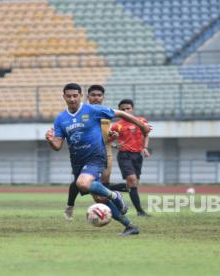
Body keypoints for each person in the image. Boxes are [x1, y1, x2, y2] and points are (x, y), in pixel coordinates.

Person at [46, 83, 151, 236]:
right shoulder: (61, 119)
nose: (72, 99)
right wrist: (49, 139)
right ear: (64, 97)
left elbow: (121, 114)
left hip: (95, 157)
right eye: (68, 96)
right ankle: (130, 226)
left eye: (75, 96)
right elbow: (57, 145)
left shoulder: (92, 110)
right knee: (99, 199)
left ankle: (114, 195)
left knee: (82, 183)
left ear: (81, 96)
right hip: (77, 161)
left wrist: (141, 126)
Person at [64, 84, 116, 221]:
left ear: (103, 97)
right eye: (93, 95)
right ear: (87, 97)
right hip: (85, 153)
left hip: (105, 150)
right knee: (82, 182)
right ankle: (71, 205)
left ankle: (103, 212)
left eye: (99, 95)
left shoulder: (106, 113)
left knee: (103, 184)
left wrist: (112, 137)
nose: (96, 98)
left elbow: (105, 135)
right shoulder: (84, 112)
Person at [111, 99, 151, 216]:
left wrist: (145, 147)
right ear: (119, 111)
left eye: (128, 108)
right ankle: (140, 211)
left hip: (138, 155)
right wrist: (115, 145)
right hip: (124, 155)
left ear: (132, 109)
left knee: (133, 185)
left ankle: (109, 188)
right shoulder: (117, 125)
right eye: (122, 109)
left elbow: (146, 134)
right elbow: (107, 141)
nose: (126, 111)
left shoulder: (141, 121)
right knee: (132, 181)